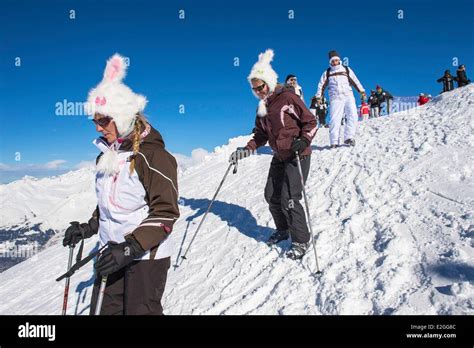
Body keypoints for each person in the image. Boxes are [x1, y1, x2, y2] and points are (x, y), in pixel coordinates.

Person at [62, 54, 180, 315]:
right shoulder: (105, 157)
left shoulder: (153, 156)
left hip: (145, 257)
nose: (97, 128)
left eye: (103, 120)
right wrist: (88, 227)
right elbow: (109, 204)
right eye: (94, 121)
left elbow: (165, 214)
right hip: (112, 251)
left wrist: (131, 247)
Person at [229, 49, 317, 260]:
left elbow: (311, 122)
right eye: (254, 89)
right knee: (272, 196)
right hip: (279, 156)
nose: (258, 92)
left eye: (260, 87)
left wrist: (303, 140)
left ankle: (301, 240)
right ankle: (284, 229)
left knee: (290, 199)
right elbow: (260, 134)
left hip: (298, 154)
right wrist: (247, 149)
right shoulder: (262, 107)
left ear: (268, 82)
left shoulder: (287, 97)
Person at [315, 50, 365, 148]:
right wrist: (318, 96)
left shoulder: (346, 69)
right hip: (335, 98)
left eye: (336, 60)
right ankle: (334, 141)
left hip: (348, 96)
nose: (335, 62)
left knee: (353, 116)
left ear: (339, 60)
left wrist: (361, 91)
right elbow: (321, 85)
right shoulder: (327, 72)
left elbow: (355, 80)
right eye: (333, 61)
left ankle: (348, 137)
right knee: (335, 119)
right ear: (330, 62)